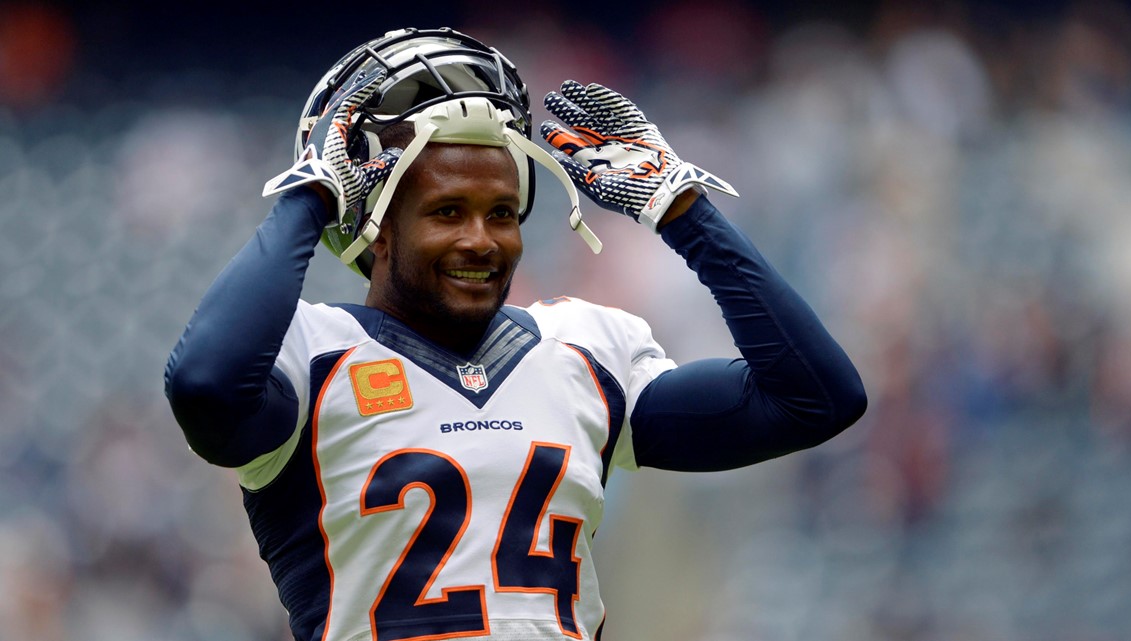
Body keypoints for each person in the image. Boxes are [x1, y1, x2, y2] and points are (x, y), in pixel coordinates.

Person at [164, 27, 866, 641]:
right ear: (377, 228)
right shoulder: (312, 354)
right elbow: (204, 385)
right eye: (446, 211)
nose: (481, 238)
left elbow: (816, 398)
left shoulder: (584, 350)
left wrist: (682, 210)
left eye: (502, 211)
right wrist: (313, 193)